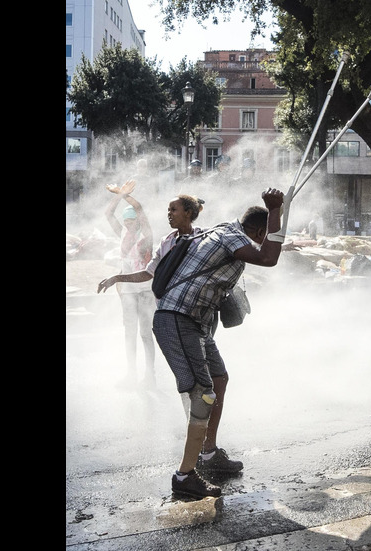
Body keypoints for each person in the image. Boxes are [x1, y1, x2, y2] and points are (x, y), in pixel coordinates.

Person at [99, 190, 288, 499]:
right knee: (203, 396)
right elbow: (269, 257)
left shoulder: (219, 231)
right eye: (263, 235)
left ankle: (210, 454)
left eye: (174, 209)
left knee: (218, 379)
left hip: (193, 321)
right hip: (178, 319)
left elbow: (266, 248)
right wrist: (276, 210)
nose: (169, 213)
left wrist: (276, 218)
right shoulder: (227, 238)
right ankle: (185, 475)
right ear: (257, 232)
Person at [103, 178, 157, 388]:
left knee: (145, 333)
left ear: (138, 221)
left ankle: (150, 375)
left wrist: (123, 194)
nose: (128, 224)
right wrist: (117, 196)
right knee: (129, 333)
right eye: (126, 221)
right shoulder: (123, 232)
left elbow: (139, 208)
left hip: (145, 289)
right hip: (127, 290)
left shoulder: (147, 235)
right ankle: (131, 374)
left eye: (132, 220)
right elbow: (108, 214)